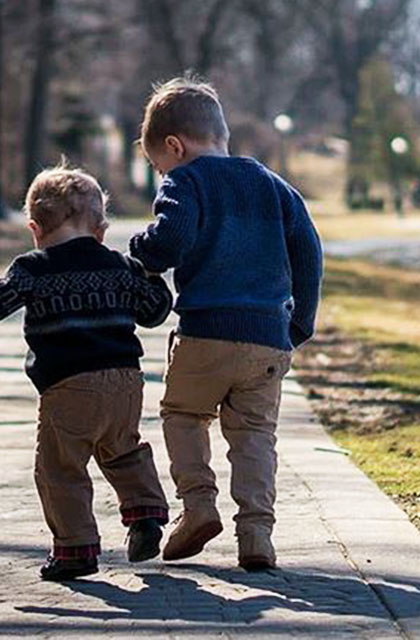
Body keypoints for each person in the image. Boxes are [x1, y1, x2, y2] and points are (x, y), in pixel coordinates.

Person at [0, 167, 173, 581]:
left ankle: (75, 550)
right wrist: (152, 274)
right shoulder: (120, 266)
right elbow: (155, 311)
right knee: (124, 449)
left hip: (69, 385)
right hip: (125, 382)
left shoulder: (33, 268)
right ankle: (145, 514)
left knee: (60, 468)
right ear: (100, 230)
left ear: (35, 229)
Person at [130, 77, 323, 571]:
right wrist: (299, 323)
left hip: (206, 333)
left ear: (175, 146)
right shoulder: (274, 186)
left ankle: (198, 506)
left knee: (183, 415)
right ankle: (256, 534)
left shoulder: (186, 182)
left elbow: (170, 240)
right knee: (255, 434)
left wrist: (141, 251)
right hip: (267, 338)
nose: (163, 173)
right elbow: (309, 252)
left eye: (159, 165)